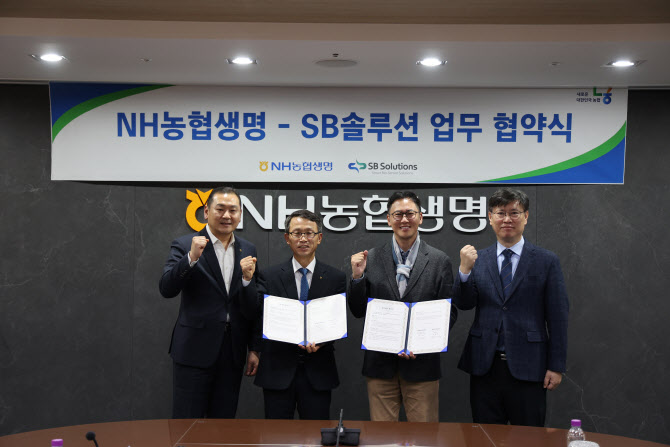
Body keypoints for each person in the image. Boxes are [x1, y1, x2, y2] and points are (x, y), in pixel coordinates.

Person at [453, 187, 569, 427]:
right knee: (485, 437)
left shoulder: (546, 260)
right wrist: (464, 271)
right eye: (500, 213)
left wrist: (556, 366)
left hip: (530, 366)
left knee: (528, 439)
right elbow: (464, 304)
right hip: (485, 365)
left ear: (526, 216)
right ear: (490, 217)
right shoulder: (478, 260)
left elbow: (558, 317)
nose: (507, 219)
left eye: (514, 213)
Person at [348, 191, 457, 422]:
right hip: (380, 366)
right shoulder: (371, 258)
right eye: (398, 214)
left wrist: (424, 342)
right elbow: (358, 310)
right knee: (382, 436)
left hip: (422, 366)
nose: (404, 219)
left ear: (421, 217)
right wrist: (357, 277)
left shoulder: (439, 260)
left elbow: (450, 312)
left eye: (410, 213)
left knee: (424, 436)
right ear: (388, 219)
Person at [159, 186, 260, 418]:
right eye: (220, 209)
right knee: (186, 424)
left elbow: (253, 305)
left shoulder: (248, 249)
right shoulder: (185, 244)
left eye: (233, 210)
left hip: (232, 352)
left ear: (240, 214)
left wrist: (254, 347)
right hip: (193, 350)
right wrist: (191, 258)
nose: (227, 215)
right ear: (206, 211)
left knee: (223, 425)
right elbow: (166, 288)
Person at [254, 209, 346, 419]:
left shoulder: (335, 277)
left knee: (315, 432)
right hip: (277, 370)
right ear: (287, 238)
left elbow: (337, 320)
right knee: (277, 434)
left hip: (318, 371)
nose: (303, 239)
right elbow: (257, 316)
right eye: (297, 233)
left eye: (309, 233)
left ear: (319, 238)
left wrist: (321, 341)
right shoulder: (269, 276)